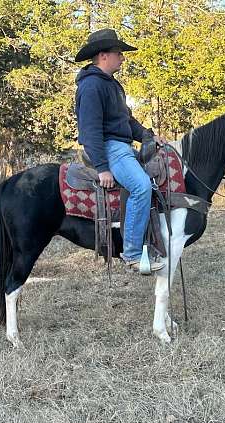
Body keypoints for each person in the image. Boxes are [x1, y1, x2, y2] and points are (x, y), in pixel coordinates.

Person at [74, 28, 166, 273]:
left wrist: (149, 136)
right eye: (118, 53)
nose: (122, 58)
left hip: (121, 146)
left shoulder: (113, 86)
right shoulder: (92, 86)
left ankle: (152, 241)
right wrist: (103, 167)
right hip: (110, 148)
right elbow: (91, 130)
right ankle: (133, 254)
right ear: (103, 55)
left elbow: (127, 122)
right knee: (141, 186)